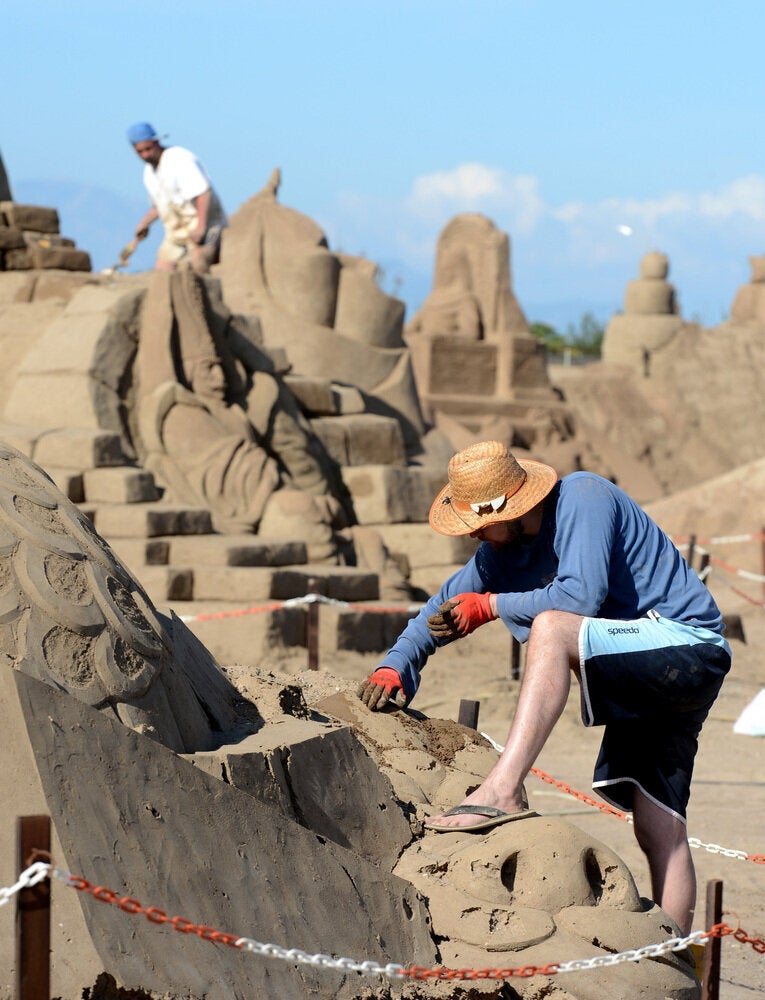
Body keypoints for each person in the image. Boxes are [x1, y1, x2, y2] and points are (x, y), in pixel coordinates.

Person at [357, 440, 731, 933]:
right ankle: (674, 959)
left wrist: (490, 606)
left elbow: (581, 595)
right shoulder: (500, 552)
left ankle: (504, 789)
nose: (474, 537)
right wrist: (396, 667)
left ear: (510, 508)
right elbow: (443, 605)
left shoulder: (583, 496)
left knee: (553, 627)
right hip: (645, 664)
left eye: (478, 524)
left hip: (687, 644)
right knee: (658, 825)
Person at [127, 122, 228, 274]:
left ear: (157, 142)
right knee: (162, 271)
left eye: (148, 149)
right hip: (177, 231)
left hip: (204, 223)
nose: (145, 155)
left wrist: (201, 227)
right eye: (140, 152)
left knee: (198, 261)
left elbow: (203, 193)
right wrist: (144, 223)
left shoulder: (179, 159)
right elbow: (160, 206)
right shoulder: (149, 173)